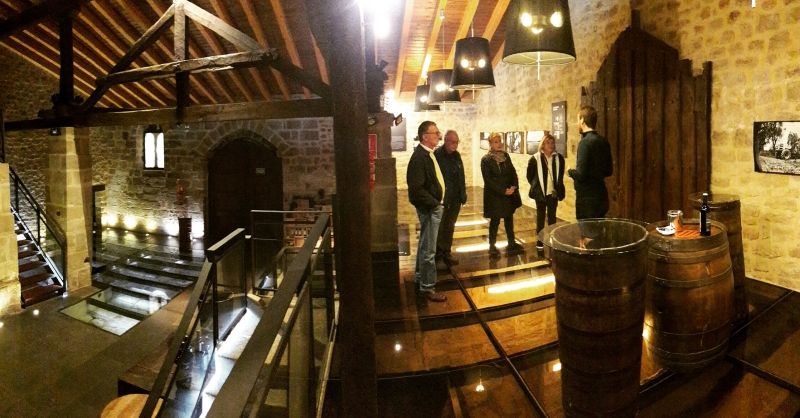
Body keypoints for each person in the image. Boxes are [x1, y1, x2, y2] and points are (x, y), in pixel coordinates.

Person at [407, 121, 447, 302]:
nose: (439, 135)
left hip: (432, 207)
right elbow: (416, 189)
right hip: (430, 208)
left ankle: (419, 277)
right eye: (435, 132)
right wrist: (435, 204)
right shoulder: (419, 158)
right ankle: (428, 287)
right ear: (425, 136)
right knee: (429, 250)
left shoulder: (427, 154)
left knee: (425, 245)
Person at [568, 105, 613, 247]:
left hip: (587, 201)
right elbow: (609, 171)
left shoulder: (585, 143)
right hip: (601, 196)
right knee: (598, 237)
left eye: (578, 120)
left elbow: (581, 175)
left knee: (588, 241)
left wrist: (570, 171)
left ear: (582, 120)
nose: (577, 123)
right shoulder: (603, 141)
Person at [481, 132, 523, 257]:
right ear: (490, 144)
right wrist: (502, 190)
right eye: (495, 142)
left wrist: (514, 186)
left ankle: (511, 242)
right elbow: (488, 180)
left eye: (499, 141)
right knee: (495, 221)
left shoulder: (506, 156)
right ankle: (492, 246)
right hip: (495, 195)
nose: (499, 144)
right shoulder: (486, 160)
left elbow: (513, 172)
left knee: (509, 219)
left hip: (508, 194)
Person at [527, 132, 565, 249]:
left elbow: (560, 177)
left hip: (553, 193)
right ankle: (540, 240)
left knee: (552, 217)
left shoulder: (559, 158)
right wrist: (537, 187)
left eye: (552, 143)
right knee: (540, 217)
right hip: (540, 193)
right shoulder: (535, 159)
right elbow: (530, 176)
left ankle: (553, 239)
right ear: (543, 145)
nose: (551, 145)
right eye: (548, 143)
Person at [435, 130, 467, 266]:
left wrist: (463, 193)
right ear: (446, 141)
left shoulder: (457, 156)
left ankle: (446, 252)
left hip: (455, 198)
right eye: (453, 142)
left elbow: (461, 175)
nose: (455, 145)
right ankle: (437, 253)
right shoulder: (437, 155)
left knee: (450, 226)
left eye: (457, 142)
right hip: (443, 198)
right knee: (440, 227)